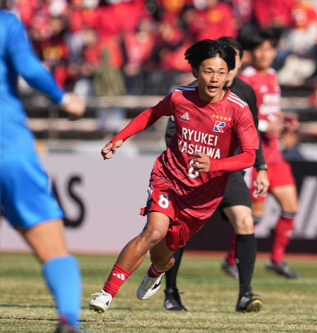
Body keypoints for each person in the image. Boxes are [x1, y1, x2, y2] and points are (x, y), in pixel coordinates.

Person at [88, 39, 260, 313]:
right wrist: (119, 139)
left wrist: (214, 165)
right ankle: (106, 293)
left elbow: (250, 155)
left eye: (220, 71)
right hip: (168, 178)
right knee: (153, 231)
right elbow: (152, 114)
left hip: (202, 197)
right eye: (207, 71)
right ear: (195, 72)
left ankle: (156, 272)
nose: (214, 78)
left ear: (229, 74)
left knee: (163, 256)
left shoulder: (238, 110)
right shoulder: (180, 97)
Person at [162, 37, 270, 312]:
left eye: (228, 66)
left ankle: (245, 294)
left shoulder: (245, 93)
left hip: (228, 172)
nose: (222, 72)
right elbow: (173, 132)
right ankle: (170, 292)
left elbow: (252, 137)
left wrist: (260, 168)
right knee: (179, 233)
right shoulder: (188, 94)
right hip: (193, 173)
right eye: (215, 67)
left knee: (245, 222)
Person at [0, 10, 86, 333]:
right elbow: (29, 69)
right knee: (53, 250)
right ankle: (68, 320)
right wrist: (63, 99)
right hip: (8, 148)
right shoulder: (5, 23)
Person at [238, 29, 301, 279]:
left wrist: (283, 118)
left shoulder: (273, 75)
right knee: (256, 216)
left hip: (275, 153)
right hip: (256, 156)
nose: (265, 54)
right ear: (251, 53)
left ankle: (276, 260)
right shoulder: (246, 78)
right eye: (260, 49)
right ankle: (233, 259)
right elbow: (241, 114)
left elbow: (266, 110)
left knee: (291, 207)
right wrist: (265, 126)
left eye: (269, 49)